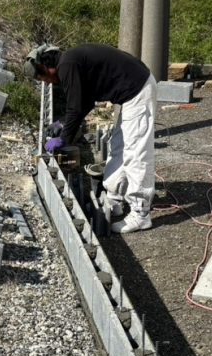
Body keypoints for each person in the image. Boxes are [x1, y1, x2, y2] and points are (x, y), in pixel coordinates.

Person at [22, 42, 157, 234]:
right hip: (130, 92)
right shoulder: (71, 61)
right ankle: (114, 199)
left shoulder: (67, 65)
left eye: (43, 79)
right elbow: (85, 101)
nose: (48, 83)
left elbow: (76, 107)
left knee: (135, 152)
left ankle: (141, 213)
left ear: (45, 68)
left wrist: (64, 139)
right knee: (119, 146)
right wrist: (63, 124)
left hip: (137, 89)